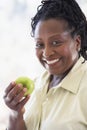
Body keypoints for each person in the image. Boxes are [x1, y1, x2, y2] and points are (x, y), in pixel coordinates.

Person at [3, 0, 87, 130]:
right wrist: (16, 113)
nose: (46, 53)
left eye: (56, 42)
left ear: (77, 42)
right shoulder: (37, 85)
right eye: (39, 44)